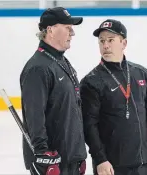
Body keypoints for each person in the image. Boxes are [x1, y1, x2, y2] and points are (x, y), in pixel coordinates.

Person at [80, 19, 147, 175]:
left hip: (143, 164)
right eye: (102, 41)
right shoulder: (91, 82)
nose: (105, 45)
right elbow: (89, 126)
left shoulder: (141, 73)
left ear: (123, 43)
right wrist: (100, 159)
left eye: (111, 40)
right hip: (110, 167)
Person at [20, 7, 87, 175]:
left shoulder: (61, 61)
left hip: (70, 158)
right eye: (67, 27)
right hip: (53, 163)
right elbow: (34, 117)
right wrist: (42, 155)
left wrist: (78, 155)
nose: (72, 33)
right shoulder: (38, 68)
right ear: (50, 30)